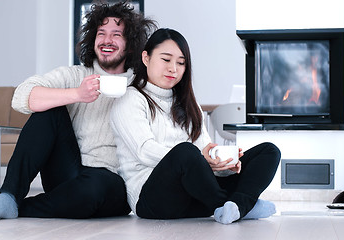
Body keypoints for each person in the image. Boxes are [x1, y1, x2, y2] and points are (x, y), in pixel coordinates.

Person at [0, 2, 156, 221]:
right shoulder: (75, 75)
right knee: (48, 110)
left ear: (131, 45)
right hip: (68, 172)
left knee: (94, 187)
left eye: (116, 34)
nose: (107, 40)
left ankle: (17, 205)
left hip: (112, 182)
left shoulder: (142, 86)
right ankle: (9, 195)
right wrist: (76, 94)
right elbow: (21, 97)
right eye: (101, 33)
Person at [110, 28, 281, 225]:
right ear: (146, 58)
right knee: (185, 152)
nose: (173, 68)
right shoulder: (130, 99)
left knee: (269, 151)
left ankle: (235, 207)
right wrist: (200, 159)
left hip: (195, 197)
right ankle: (239, 205)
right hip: (153, 200)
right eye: (166, 60)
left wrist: (223, 165)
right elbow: (144, 151)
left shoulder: (188, 103)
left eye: (181, 63)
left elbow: (204, 150)